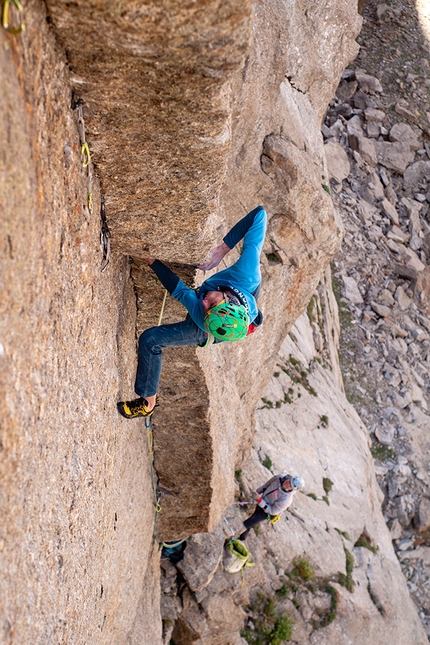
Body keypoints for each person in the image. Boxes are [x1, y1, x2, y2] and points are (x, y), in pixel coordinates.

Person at [117, 206, 267, 419]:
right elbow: (259, 214)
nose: (203, 304)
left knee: (151, 340)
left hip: (209, 331)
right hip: (238, 301)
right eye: (211, 305)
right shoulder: (247, 272)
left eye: (206, 309)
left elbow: (180, 291)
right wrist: (223, 248)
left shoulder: (205, 320)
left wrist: (151, 261)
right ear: (227, 299)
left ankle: (147, 403)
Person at [239, 473, 304, 541]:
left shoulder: (286, 500)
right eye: (289, 481)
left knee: (247, 523)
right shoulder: (279, 478)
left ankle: (235, 536)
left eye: (290, 486)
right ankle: (242, 537)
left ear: (293, 489)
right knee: (251, 521)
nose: (287, 484)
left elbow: (273, 511)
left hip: (266, 513)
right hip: (261, 501)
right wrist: (256, 492)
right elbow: (266, 486)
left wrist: (259, 500)